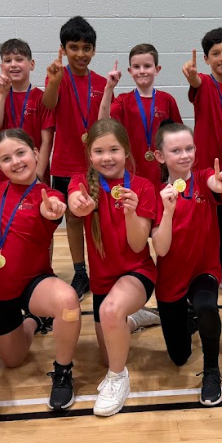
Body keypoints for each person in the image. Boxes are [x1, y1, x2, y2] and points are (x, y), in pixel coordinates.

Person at [0, 129, 81, 411]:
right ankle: (34, 322)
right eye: (6, 158)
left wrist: (53, 210)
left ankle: (63, 371)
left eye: (21, 153)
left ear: (36, 153)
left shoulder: (49, 195)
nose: (15, 162)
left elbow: (54, 209)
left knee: (68, 301)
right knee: (13, 360)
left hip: (33, 285)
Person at [67, 119, 160, 417]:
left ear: (126, 151)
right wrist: (76, 204)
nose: (107, 157)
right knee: (108, 352)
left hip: (137, 273)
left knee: (110, 315)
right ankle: (134, 319)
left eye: (114, 150)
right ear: (90, 155)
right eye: (99, 151)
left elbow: (137, 246)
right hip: (103, 281)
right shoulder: (80, 182)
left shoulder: (143, 187)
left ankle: (119, 380)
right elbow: (73, 201)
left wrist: (132, 215)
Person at [150, 122, 222, 406]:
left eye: (189, 148)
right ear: (160, 156)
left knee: (208, 305)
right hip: (171, 279)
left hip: (203, 270)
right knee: (178, 357)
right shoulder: (156, 195)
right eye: (176, 150)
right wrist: (169, 212)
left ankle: (212, 370)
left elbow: (217, 182)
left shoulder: (205, 177)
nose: (184, 155)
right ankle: (189, 316)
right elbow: (160, 248)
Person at [43, 16, 107, 300]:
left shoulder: (103, 82)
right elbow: (48, 104)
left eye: (86, 47)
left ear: (93, 50)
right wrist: (54, 82)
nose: (80, 54)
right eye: (74, 47)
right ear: (63, 49)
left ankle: (103, 267)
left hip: (96, 164)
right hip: (66, 163)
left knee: (99, 217)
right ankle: (80, 272)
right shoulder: (56, 77)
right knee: (72, 218)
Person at [182, 27, 222, 296]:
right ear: (206, 59)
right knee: (201, 221)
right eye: (215, 53)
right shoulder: (203, 83)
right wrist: (193, 77)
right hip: (204, 170)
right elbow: (195, 84)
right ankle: (198, 267)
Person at [98, 43, 183, 187]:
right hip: (131, 172)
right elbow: (103, 123)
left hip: (162, 173)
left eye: (147, 66)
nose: (142, 71)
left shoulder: (167, 100)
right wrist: (109, 88)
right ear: (130, 71)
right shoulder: (123, 101)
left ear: (157, 69)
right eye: (137, 67)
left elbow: (179, 137)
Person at [0, 38, 55, 183]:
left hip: (34, 170)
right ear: (1, 66)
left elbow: (47, 141)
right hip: (6, 168)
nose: (13, 65)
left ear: (31, 64)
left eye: (19, 59)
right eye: (7, 60)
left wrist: (38, 173)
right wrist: (2, 94)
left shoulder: (41, 98)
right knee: (5, 204)